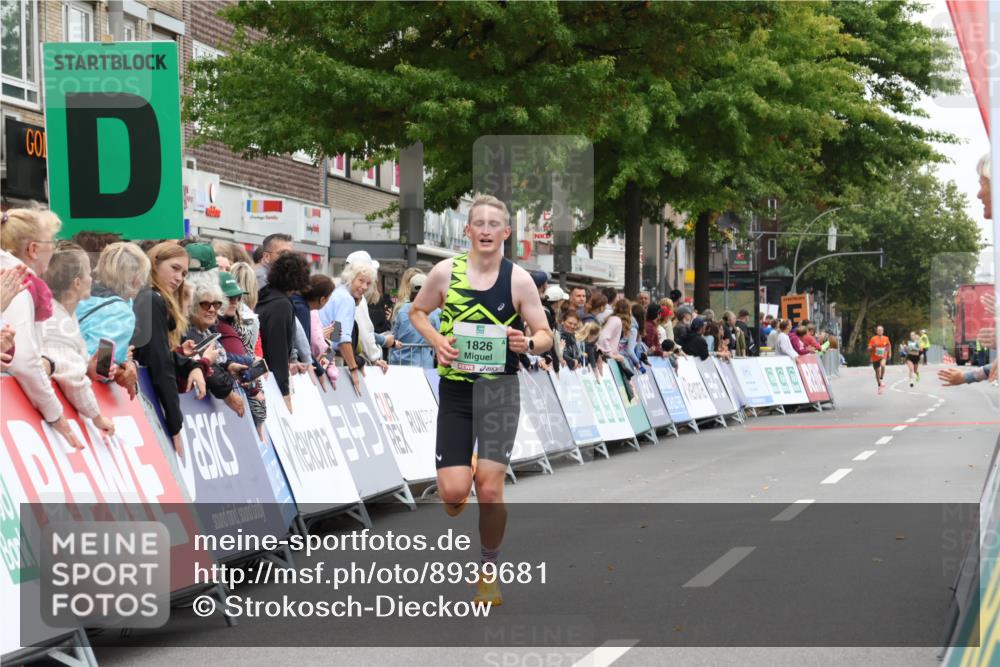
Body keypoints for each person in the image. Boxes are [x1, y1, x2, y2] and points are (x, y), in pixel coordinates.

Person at [409, 194, 552, 607]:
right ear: (467, 230)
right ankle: (463, 474)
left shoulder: (518, 280)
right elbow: (416, 312)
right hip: (456, 391)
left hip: (499, 392)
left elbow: (546, 335)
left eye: (495, 224)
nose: (486, 230)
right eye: (479, 224)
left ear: (506, 233)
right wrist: (436, 340)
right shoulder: (444, 272)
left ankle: (488, 571)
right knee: (454, 494)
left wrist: (528, 342)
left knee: (490, 490)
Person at [1, 208, 87, 450]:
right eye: (53, 242)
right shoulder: (17, 282)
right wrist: (56, 414)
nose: (55, 249)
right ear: (33, 249)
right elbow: (24, 360)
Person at [132, 242, 207, 456]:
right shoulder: (151, 299)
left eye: (183, 273)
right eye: (174, 268)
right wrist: (175, 422)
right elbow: (158, 363)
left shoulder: (148, 297)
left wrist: (190, 364)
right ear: (154, 263)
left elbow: (157, 354)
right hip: (141, 401)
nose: (179, 278)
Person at [40, 242, 118, 437]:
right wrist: (98, 417)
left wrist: (90, 368)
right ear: (76, 283)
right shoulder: (55, 320)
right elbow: (71, 378)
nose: (92, 279)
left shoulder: (64, 314)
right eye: (89, 273)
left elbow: (69, 366)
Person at [75, 241, 149, 398]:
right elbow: (101, 366)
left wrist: (124, 361)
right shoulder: (120, 313)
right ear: (136, 279)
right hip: (83, 394)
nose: (143, 283)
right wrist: (120, 368)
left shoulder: (79, 293)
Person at [256, 252, 311, 412]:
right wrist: (285, 394)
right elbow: (278, 351)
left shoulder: (266, 295)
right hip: (270, 384)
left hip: (262, 377)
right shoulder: (281, 305)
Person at [320, 260, 380, 391]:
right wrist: (353, 368)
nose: (364, 287)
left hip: (321, 352)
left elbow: (335, 334)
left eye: (368, 283)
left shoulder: (337, 293)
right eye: (361, 281)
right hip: (326, 352)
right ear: (351, 278)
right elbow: (342, 339)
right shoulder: (346, 299)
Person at [390, 273, 440, 368]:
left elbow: (395, 334)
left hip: (399, 362)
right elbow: (439, 335)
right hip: (423, 365)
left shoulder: (402, 310)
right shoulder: (435, 311)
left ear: (410, 291)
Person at [867, 325, 891, 394]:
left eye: (881, 330)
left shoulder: (886, 338)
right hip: (875, 357)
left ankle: (882, 378)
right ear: (877, 331)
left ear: (883, 331)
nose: (880, 331)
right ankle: (879, 385)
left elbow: (888, 345)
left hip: (883, 356)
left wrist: (889, 353)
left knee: (883, 365)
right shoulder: (873, 338)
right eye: (878, 330)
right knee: (877, 372)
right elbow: (868, 348)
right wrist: (872, 347)